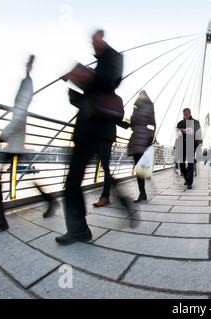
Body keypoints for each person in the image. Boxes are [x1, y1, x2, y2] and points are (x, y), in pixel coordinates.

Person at [56, 30, 124, 245]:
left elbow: (107, 83)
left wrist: (79, 75)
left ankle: (79, 230)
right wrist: (75, 96)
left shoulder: (112, 59)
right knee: (80, 178)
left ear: (102, 40)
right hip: (92, 131)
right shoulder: (103, 65)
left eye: (96, 42)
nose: (93, 45)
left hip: (92, 131)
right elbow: (95, 98)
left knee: (73, 181)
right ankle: (116, 194)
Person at [0, 56, 58, 235]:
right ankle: (49, 199)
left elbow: (20, 113)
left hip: (15, 139)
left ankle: (0, 221)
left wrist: (4, 134)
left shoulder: (27, 84)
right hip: (17, 139)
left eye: (29, 63)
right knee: (12, 177)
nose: (26, 65)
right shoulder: (26, 81)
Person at [126, 91, 156, 203]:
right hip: (136, 139)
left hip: (143, 140)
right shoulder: (136, 107)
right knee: (138, 168)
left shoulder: (149, 106)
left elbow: (153, 123)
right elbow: (133, 123)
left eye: (141, 94)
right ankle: (142, 193)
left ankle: (143, 192)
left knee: (140, 167)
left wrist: (150, 138)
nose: (140, 96)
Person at [176, 108, 202, 189]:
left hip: (191, 146)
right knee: (182, 164)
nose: (185, 116)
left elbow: (199, 134)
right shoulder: (180, 123)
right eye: (184, 115)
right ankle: (186, 178)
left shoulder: (196, 123)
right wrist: (179, 133)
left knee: (190, 163)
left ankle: (189, 182)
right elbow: (176, 134)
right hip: (181, 145)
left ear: (190, 113)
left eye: (186, 114)